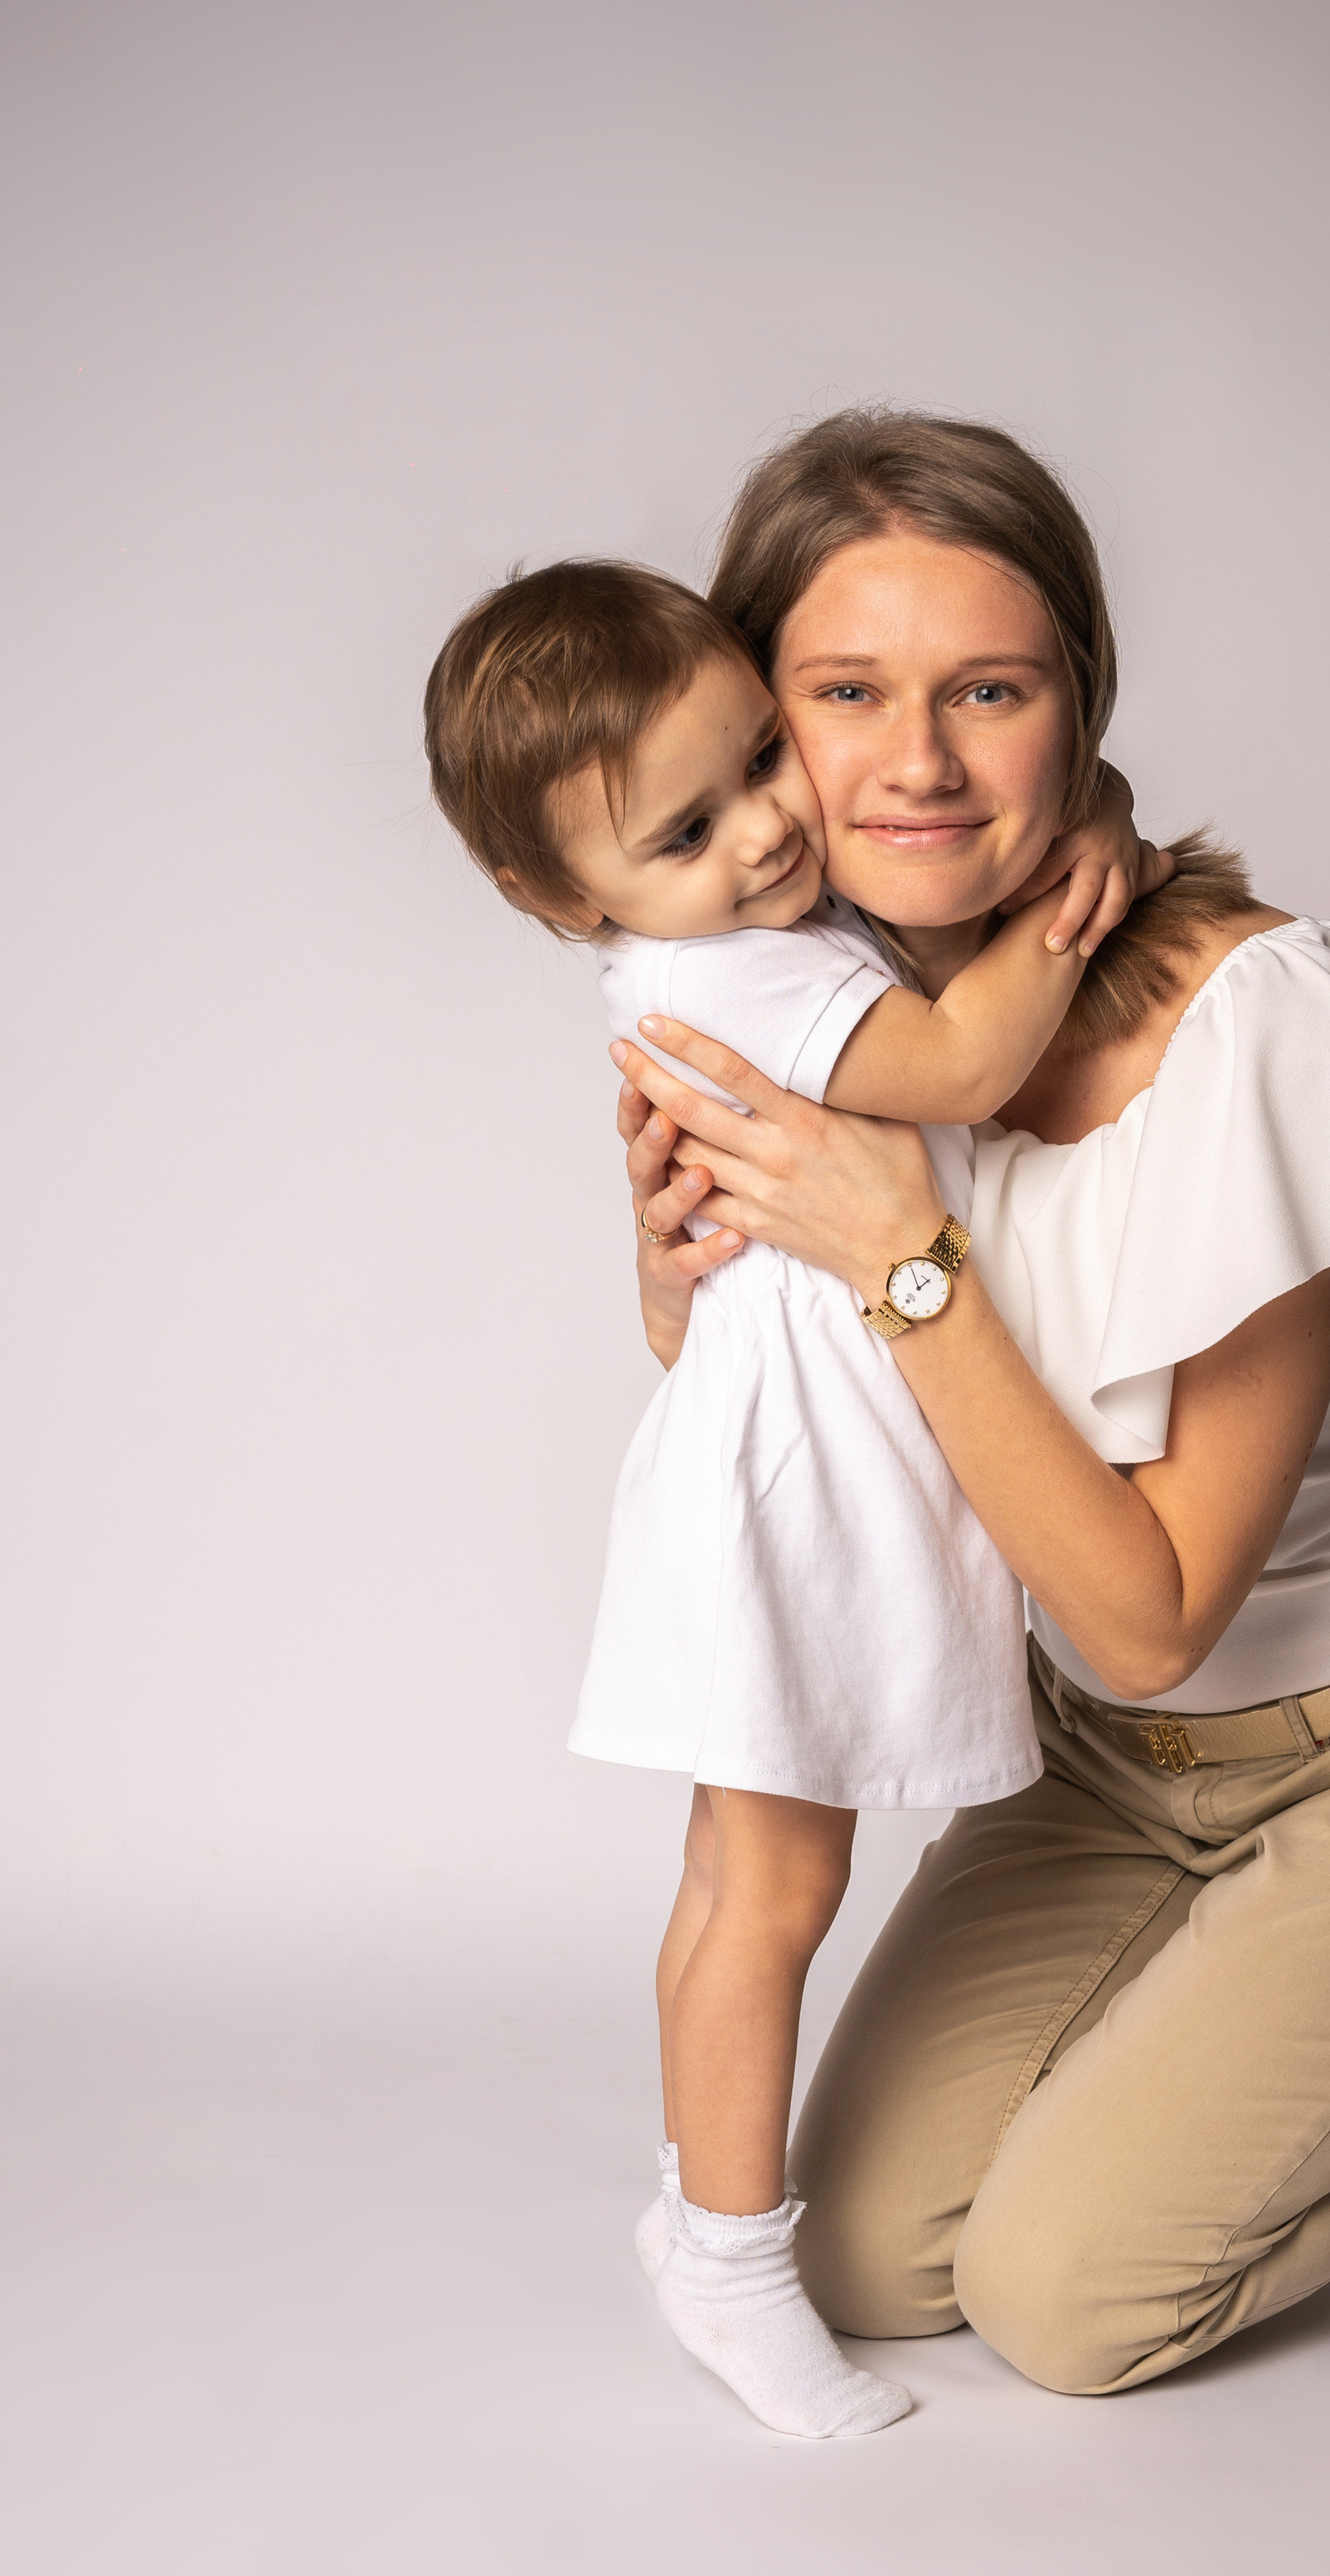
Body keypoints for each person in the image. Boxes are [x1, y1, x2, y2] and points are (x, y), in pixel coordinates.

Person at [610, 407, 1330, 2400]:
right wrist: (678, 1280)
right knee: (883, 2262)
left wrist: (899, 1256)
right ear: (759, 730)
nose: (914, 762)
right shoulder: (807, 1013)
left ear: (1075, 708)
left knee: (1071, 2307)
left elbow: (1152, 1607)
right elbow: (751, 1397)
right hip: (1109, 1762)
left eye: (986, 690)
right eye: (844, 693)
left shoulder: (1256, 1016)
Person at [421, 557, 1165, 2437]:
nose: (768, 827)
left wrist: (1101, 798)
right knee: (769, 1882)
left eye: (761, 753)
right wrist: (1084, 886)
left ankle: (714, 2234)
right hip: (781, 1467)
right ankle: (727, 2256)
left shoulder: (741, 914)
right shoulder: (722, 961)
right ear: (559, 900)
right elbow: (969, 1060)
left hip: (796, 1427)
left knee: (755, 1875)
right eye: (690, 824)